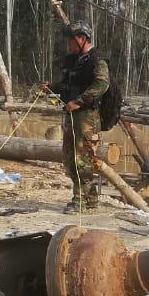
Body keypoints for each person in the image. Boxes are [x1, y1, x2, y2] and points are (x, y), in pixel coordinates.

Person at [55, 20, 109, 213]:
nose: (68, 44)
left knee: (82, 159)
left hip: (86, 117)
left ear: (82, 38)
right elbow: (65, 85)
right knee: (69, 159)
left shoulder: (96, 60)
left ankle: (80, 201)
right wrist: (50, 88)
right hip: (71, 116)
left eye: (71, 40)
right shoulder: (73, 60)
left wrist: (78, 101)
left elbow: (102, 85)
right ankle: (91, 198)